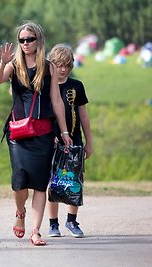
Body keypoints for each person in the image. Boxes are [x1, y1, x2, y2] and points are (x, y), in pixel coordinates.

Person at [0, 21, 72, 246]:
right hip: (18, 132)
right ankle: (20, 212)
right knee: (19, 182)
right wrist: (2, 63)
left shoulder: (49, 67)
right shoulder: (14, 65)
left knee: (39, 184)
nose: (25, 43)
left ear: (38, 40)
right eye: (22, 40)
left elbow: (56, 100)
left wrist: (64, 130)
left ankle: (35, 231)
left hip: (43, 132)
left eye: (30, 39)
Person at [47, 44, 93, 238]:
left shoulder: (76, 86)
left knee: (75, 180)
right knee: (53, 182)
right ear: (51, 65)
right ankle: (53, 224)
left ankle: (72, 221)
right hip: (50, 141)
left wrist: (89, 142)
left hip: (74, 139)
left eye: (67, 65)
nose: (63, 69)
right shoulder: (45, 85)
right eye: (58, 65)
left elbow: (83, 116)